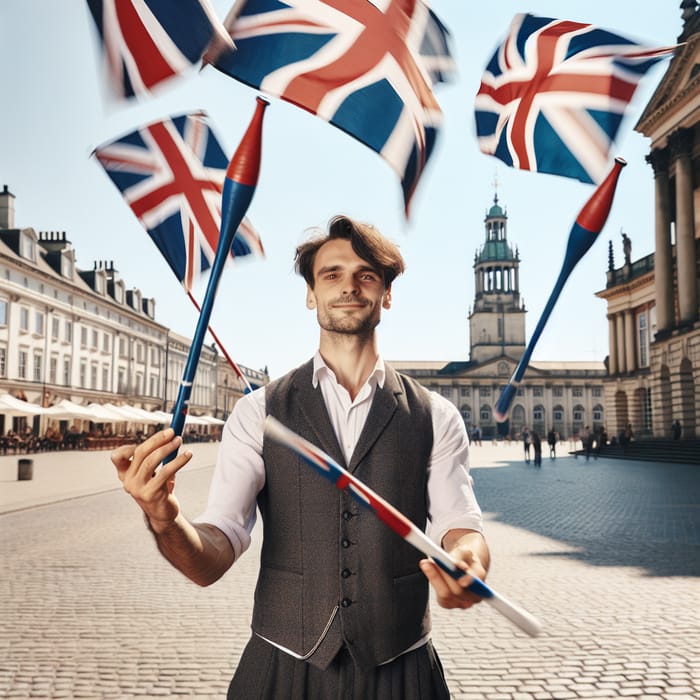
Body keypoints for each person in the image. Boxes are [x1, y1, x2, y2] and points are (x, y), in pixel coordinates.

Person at [111, 215, 489, 700]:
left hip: (402, 671)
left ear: (387, 295)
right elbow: (212, 555)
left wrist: (468, 560)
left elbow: (461, 524)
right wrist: (164, 518)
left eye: (366, 275)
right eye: (331, 274)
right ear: (311, 294)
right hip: (282, 668)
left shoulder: (436, 415)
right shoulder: (256, 411)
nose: (348, 287)